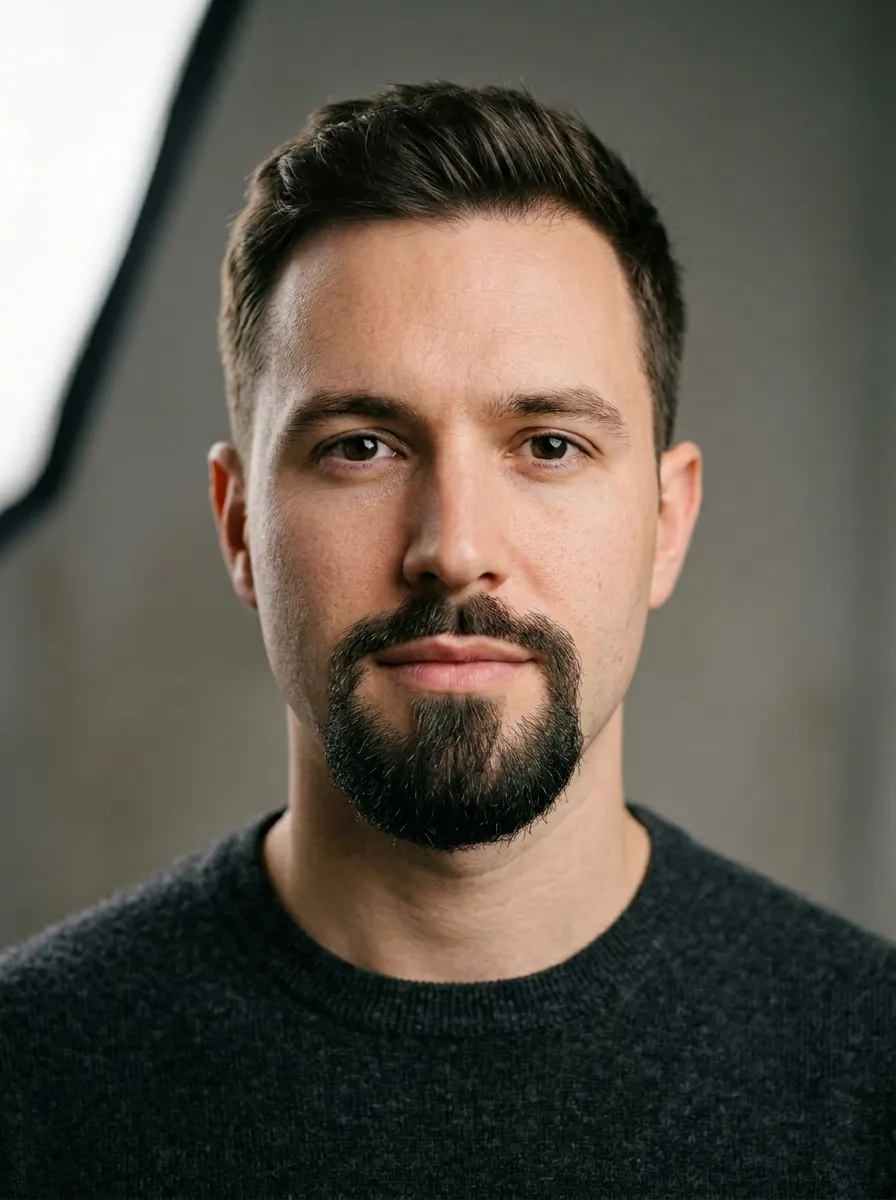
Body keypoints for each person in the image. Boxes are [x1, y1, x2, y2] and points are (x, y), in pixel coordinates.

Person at [1, 80, 893, 1199]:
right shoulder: (26, 1086)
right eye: (362, 447)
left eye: (549, 445)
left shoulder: (869, 1079)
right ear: (239, 529)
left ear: (666, 525)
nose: (453, 547)